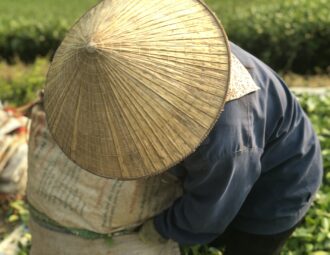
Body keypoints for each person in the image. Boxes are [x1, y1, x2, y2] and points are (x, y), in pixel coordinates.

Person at [37, 0, 323, 254]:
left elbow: (212, 209)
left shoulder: (225, 139)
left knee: (246, 243)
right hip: (231, 166)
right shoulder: (157, 48)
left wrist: (165, 228)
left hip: (276, 189)